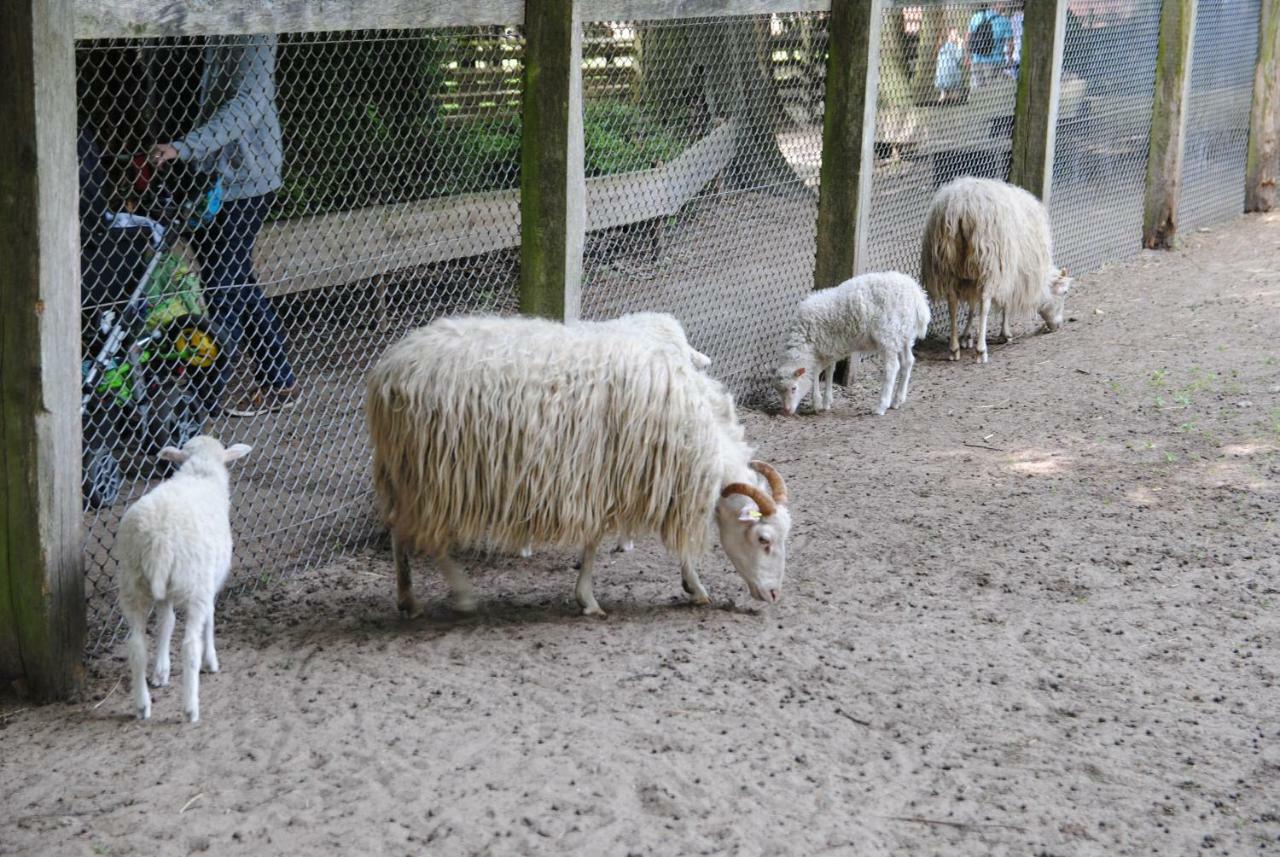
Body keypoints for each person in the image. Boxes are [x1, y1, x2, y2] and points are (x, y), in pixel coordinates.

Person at [149, 35, 297, 418]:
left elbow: (246, 106)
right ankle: (279, 380)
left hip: (247, 178)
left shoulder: (255, 27)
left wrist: (185, 146)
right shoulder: (197, 24)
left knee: (221, 285)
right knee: (234, 276)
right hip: (200, 175)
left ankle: (204, 399)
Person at [966, 3, 1013, 89]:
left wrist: (968, 57)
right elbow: (1010, 44)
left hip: (976, 60)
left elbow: (968, 38)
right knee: (992, 91)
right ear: (997, 4)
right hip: (995, 61)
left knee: (979, 90)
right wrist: (1009, 59)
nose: (1006, 4)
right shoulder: (1005, 21)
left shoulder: (976, 17)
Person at [934, 27, 965, 103]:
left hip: (940, 78)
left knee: (943, 93)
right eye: (956, 34)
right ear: (950, 36)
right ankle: (956, 99)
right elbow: (959, 59)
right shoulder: (954, 47)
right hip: (952, 77)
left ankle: (942, 98)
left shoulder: (942, 48)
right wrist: (960, 45)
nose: (957, 36)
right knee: (956, 92)